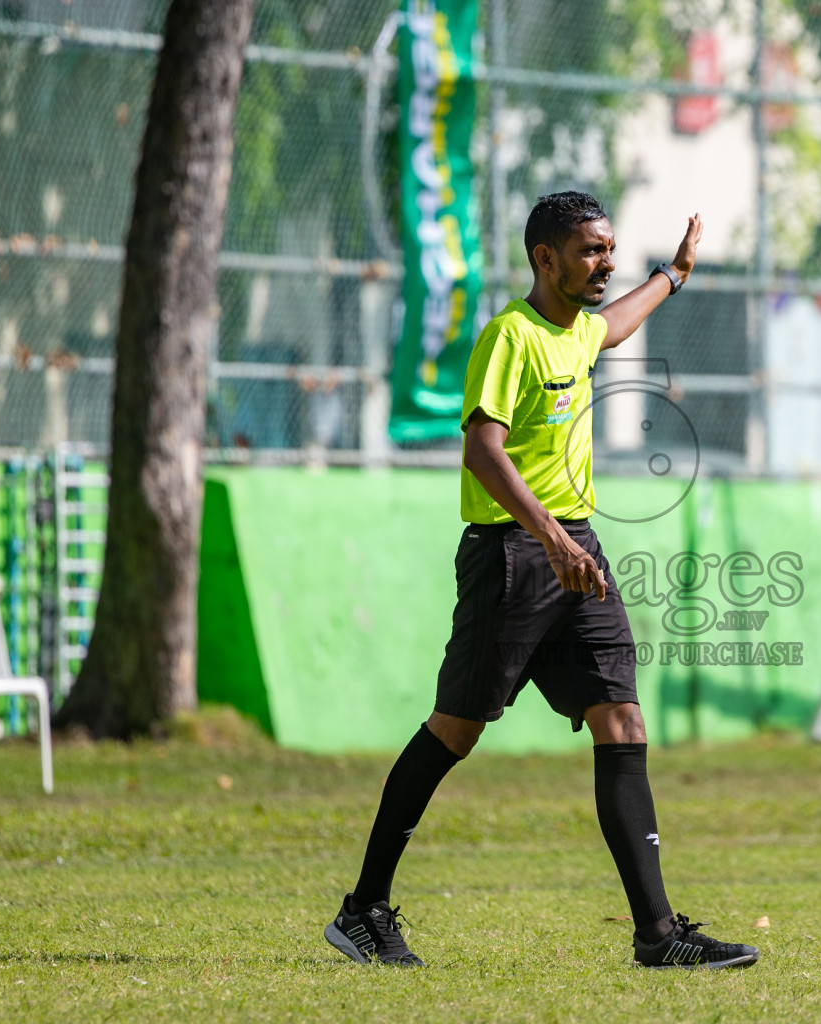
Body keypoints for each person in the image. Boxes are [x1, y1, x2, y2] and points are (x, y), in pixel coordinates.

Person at [324, 191, 759, 971]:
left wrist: (675, 276)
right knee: (455, 731)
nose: (606, 262)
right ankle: (363, 911)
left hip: (575, 552)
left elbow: (613, 325)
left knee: (621, 722)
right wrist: (550, 538)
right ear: (545, 258)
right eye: (592, 251)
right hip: (512, 557)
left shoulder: (580, 331)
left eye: (610, 248)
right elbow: (482, 451)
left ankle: (658, 936)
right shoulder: (510, 337)